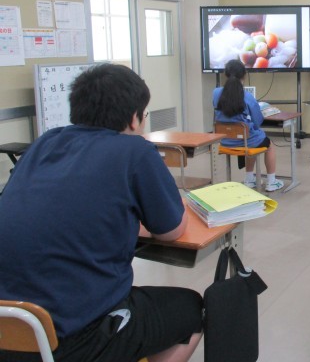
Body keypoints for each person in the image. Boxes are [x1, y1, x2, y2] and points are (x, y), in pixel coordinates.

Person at [0, 64, 203, 362]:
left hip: (10, 325)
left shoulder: (44, 143)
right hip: (73, 337)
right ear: (134, 118)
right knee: (192, 309)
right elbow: (171, 230)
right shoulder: (136, 151)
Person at [213, 59, 284, 192]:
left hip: (225, 141)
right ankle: (271, 182)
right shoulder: (247, 96)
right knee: (267, 145)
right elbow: (258, 121)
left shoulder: (216, 93)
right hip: (246, 140)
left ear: (225, 74)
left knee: (250, 138)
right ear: (244, 75)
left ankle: (249, 179)